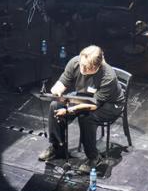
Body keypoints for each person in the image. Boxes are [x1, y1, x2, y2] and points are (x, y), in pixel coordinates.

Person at [39, 44, 124, 172]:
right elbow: (64, 81)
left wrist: (69, 110)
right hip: (84, 96)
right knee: (55, 105)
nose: (82, 68)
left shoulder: (108, 76)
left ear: (96, 66)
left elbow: (94, 104)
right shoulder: (76, 62)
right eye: (81, 64)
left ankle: (93, 158)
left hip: (109, 104)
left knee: (86, 117)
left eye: (86, 67)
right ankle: (58, 147)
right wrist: (56, 91)